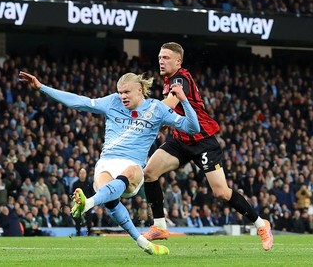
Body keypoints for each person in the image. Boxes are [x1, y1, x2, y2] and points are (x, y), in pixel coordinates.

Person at [19, 70, 201, 255]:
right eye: (120, 92)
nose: (122, 96)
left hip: (132, 165)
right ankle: (142, 242)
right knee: (108, 198)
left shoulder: (157, 109)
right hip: (106, 162)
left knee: (131, 171)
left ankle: (88, 203)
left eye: (126, 92)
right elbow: (78, 101)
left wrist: (184, 101)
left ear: (139, 90)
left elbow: (193, 128)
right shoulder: (112, 101)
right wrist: (42, 87)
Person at [141, 42, 273, 251]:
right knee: (149, 172)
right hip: (181, 140)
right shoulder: (169, 80)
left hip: (202, 142)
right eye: (159, 57)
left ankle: (261, 224)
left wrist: (142, 113)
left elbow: (169, 105)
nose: (161, 60)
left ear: (178, 61)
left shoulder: (180, 78)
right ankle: (160, 226)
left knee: (221, 192)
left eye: (166, 57)